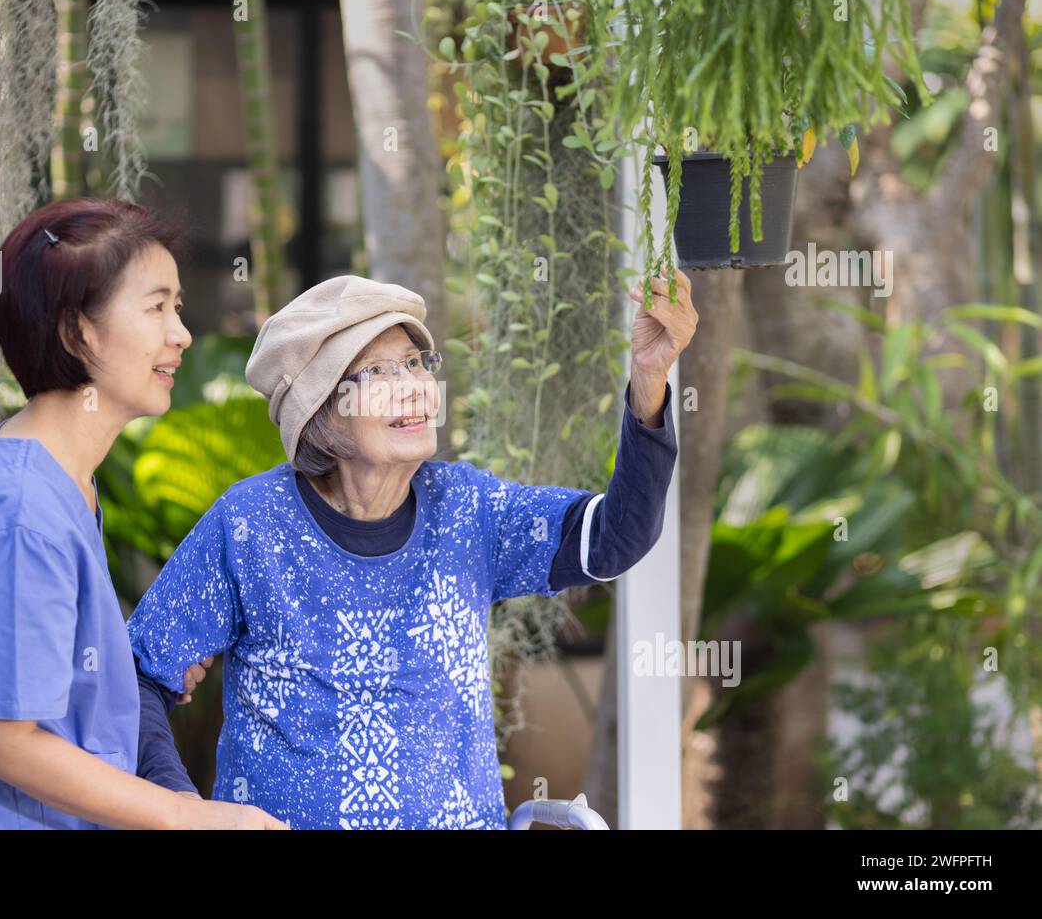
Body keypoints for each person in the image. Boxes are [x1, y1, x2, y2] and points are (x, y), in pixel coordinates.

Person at [129, 268, 697, 828]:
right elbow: (140, 673)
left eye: (415, 363)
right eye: (377, 371)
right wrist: (181, 807)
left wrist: (648, 387)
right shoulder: (252, 524)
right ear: (319, 411)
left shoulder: (467, 508)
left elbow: (615, 537)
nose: (415, 385)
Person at [0, 197, 285, 829]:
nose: (181, 333)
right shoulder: (18, 508)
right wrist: (190, 818)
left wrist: (121, 676)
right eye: (156, 307)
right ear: (78, 331)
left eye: (176, 307)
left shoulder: (68, 484)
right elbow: (1, 740)